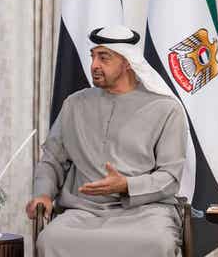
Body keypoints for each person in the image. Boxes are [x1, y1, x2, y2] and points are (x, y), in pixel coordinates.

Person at [25, 26, 187, 257]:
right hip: (82, 211)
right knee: (50, 240)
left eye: (104, 57)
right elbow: (52, 159)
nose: (94, 65)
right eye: (93, 56)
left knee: (157, 243)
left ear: (128, 62)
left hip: (146, 212)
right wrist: (42, 194)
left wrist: (127, 186)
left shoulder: (166, 109)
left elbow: (170, 178)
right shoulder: (74, 104)